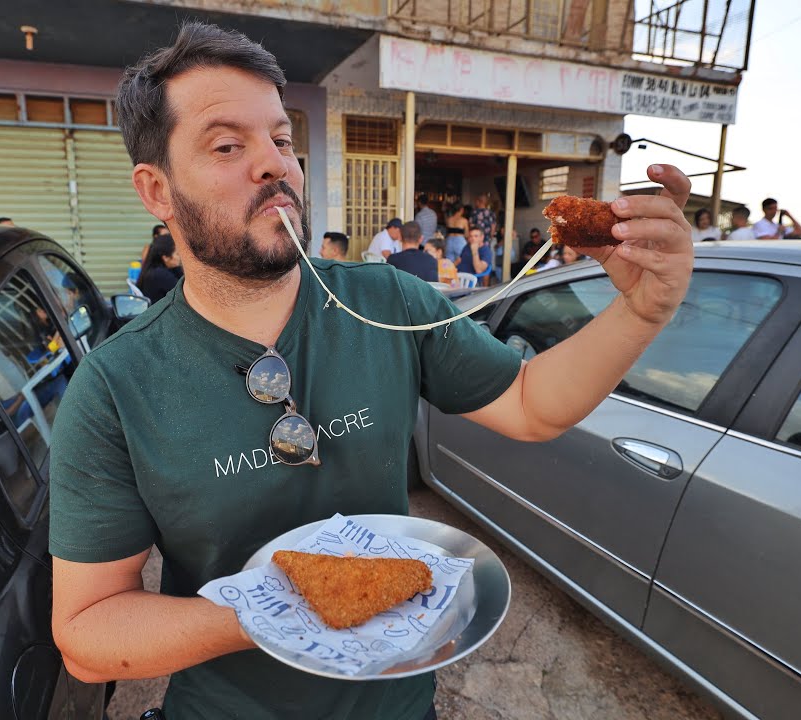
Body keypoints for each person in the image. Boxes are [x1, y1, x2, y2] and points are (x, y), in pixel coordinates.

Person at [49, 22, 693, 720]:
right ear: (157, 191)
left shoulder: (388, 301)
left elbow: (532, 405)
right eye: (229, 145)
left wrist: (643, 311)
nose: (275, 166)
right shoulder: (116, 385)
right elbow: (88, 634)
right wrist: (283, 610)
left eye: (282, 139)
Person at [135, 233, 182, 303]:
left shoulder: (156, 269)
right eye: (177, 254)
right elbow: (183, 295)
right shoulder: (160, 274)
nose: (180, 257)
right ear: (165, 258)